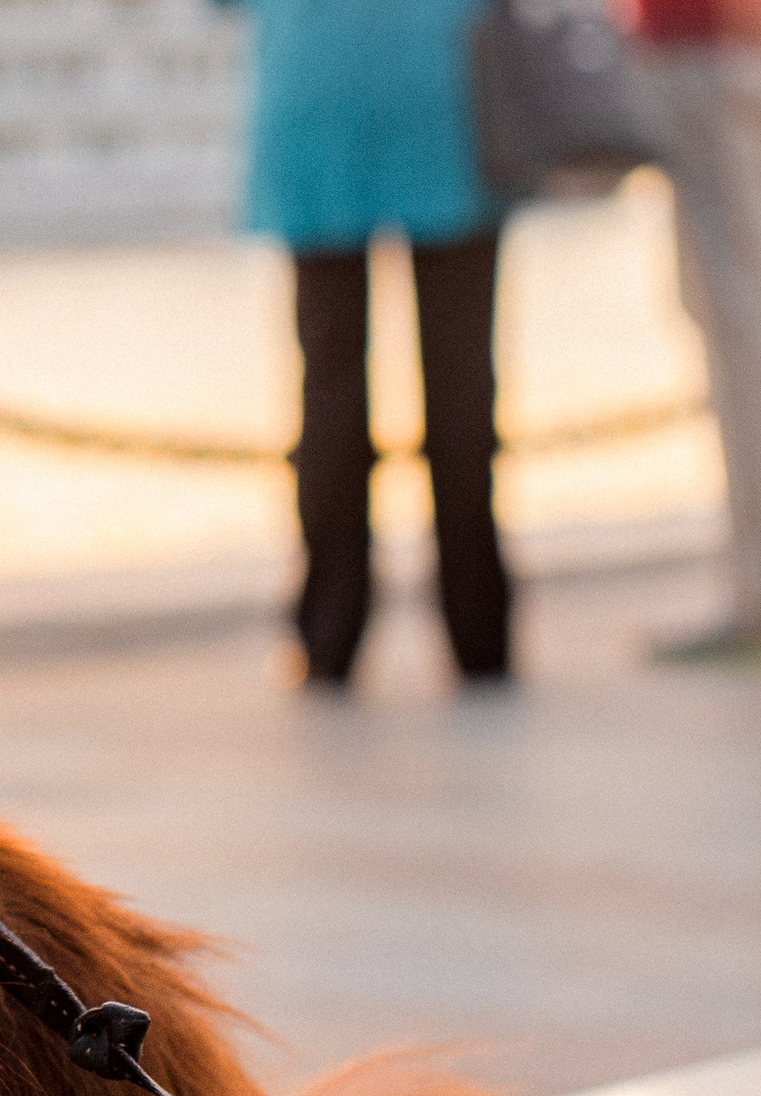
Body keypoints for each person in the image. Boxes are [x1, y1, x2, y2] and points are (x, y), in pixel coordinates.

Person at [243, 0, 515, 688]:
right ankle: (480, 630)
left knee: (328, 380)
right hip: (450, 94)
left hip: (316, 93)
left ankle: (329, 634)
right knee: (463, 379)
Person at [625, 0, 761, 661]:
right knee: (726, 313)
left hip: (717, 55)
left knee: (742, 323)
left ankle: (758, 589)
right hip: (704, 55)